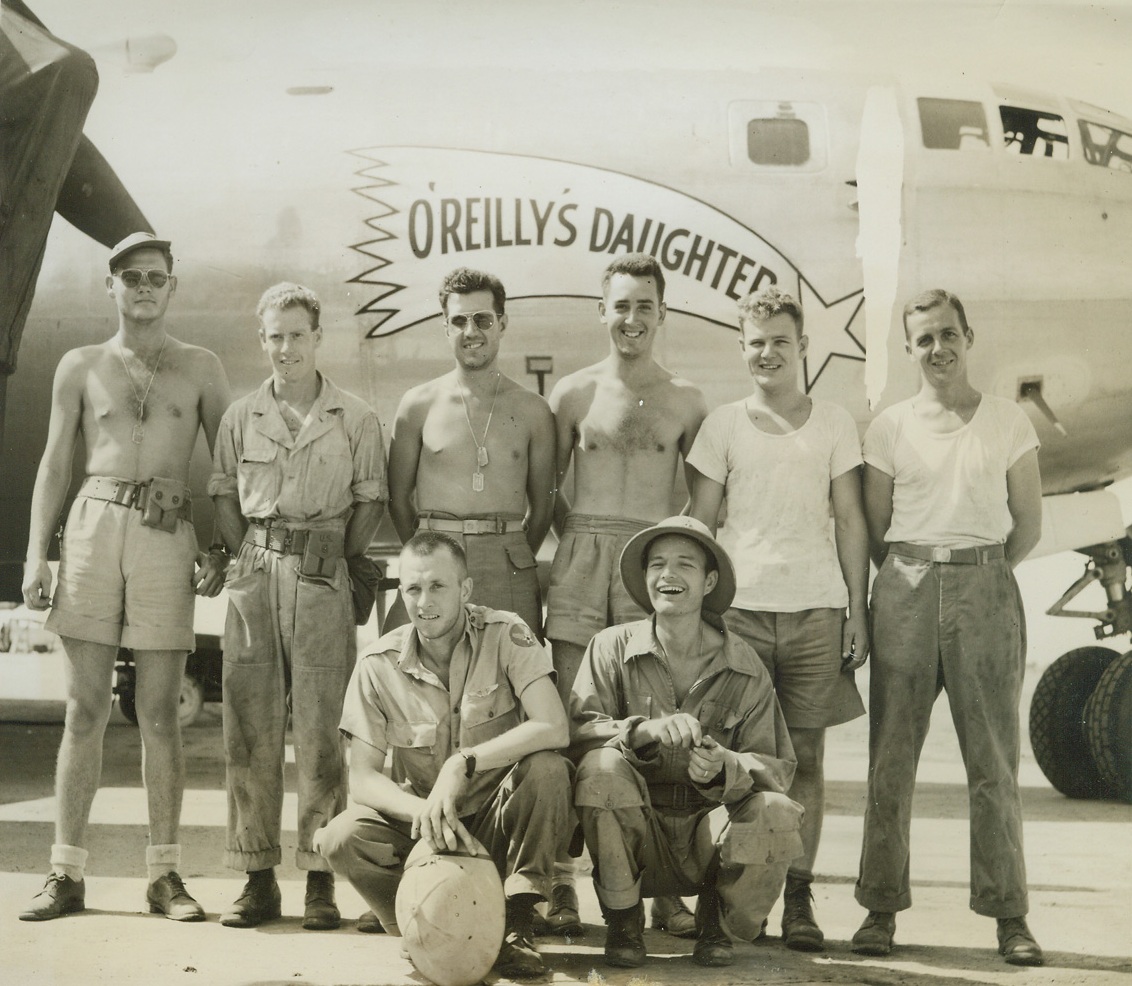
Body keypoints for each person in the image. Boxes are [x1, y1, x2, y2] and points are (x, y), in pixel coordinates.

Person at [19, 231, 231, 921]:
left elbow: (227, 467)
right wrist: (35, 556)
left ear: (173, 287)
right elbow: (54, 463)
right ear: (108, 286)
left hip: (167, 532)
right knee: (84, 710)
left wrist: (224, 546)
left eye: (156, 277)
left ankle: (165, 875)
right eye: (130, 276)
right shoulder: (80, 366)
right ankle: (65, 873)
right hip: (93, 522)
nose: (143, 286)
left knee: (160, 712)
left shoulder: (201, 367)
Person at [852, 289, 1044, 966]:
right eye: (925, 339)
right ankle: (879, 909)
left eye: (948, 335)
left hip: (986, 587)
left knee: (992, 761)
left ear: (969, 337)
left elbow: (1029, 523)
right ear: (909, 350)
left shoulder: (1008, 422)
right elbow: (876, 528)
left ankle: (1009, 917)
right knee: (891, 760)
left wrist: (977, 571)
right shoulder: (890, 427)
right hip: (904, 587)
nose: (939, 349)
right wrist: (915, 572)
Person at [688, 285, 869, 951]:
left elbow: (850, 520)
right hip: (739, 616)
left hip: (816, 612)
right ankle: (739, 897)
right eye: (756, 342)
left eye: (780, 342)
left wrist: (857, 611)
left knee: (808, 760)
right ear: (742, 349)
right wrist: (699, 620)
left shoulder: (834, 422)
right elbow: (700, 528)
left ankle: (798, 898)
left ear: (803, 349)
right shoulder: (723, 426)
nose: (768, 352)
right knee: (730, 762)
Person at [313, 532, 572, 978]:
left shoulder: (505, 633)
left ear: (465, 590)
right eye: (412, 588)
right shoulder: (378, 663)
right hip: (426, 832)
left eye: (438, 586)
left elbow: (553, 725)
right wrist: (427, 812)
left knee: (549, 770)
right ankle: (423, 924)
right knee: (341, 836)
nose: (424, 601)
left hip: (497, 824)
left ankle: (517, 922)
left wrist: (463, 762)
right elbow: (363, 779)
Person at [209, 282, 387, 930]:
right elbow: (224, 495)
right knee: (249, 725)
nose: (286, 348)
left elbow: (371, 500)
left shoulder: (356, 418)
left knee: (320, 730)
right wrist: (249, 556)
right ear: (263, 342)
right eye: (274, 336)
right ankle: (256, 876)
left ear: (318, 338)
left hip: (322, 575)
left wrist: (332, 556)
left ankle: (319, 879)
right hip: (256, 572)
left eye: (297, 335)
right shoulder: (239, 416)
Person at [545, 252, 707, 935]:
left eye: (645, 305)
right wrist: (584, 546)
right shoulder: (573, 395)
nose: (632, 318)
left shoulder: (688, 400)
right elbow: (547, 490)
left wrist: (652, 558)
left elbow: (700, 505)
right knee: (567, 726)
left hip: (649, 562)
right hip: (583, 557)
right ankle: (558, 882)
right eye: (621, 305)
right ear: (601, 311)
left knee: (654, 726)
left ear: (662, 313)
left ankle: (663, 886)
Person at [570, 516, 802, 967]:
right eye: (656, 564)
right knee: (599, 770)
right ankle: (624, 919)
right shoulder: (610, 647)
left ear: (709, 580)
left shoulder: (746, 665)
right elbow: (577, 734)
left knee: (776, 813)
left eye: (684, 565)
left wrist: (727, 766)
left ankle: (715, 921)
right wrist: (641, 731)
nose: (667, 575)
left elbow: (779, 769)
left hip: (706, 834)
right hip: (635, 832)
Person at [387, 267, 555, 638]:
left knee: (510, 677)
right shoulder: (418, 404)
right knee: (416, 677)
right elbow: (398, 500)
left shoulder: (533, 410)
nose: (471, 332)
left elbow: (543, 509)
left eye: (482, 319)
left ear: (502, 323)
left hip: (506, 559)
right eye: (459, 320)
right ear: (445, 326)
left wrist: (509, 550)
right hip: (436, 559)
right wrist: (427, 555)